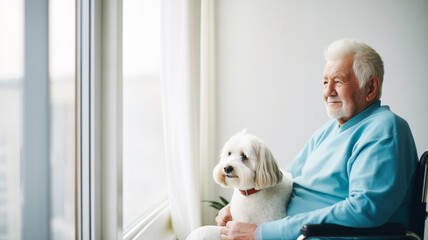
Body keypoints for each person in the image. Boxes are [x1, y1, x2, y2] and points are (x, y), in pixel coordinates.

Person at [217, 38, 418, 240]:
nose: (328, 92)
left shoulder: (384, 129)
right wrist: (236, 205)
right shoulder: (331, 129)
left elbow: (364, 208)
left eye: (338, 81)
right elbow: (284, 181)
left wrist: (262, 233)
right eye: (324, 82)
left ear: (371, 88)